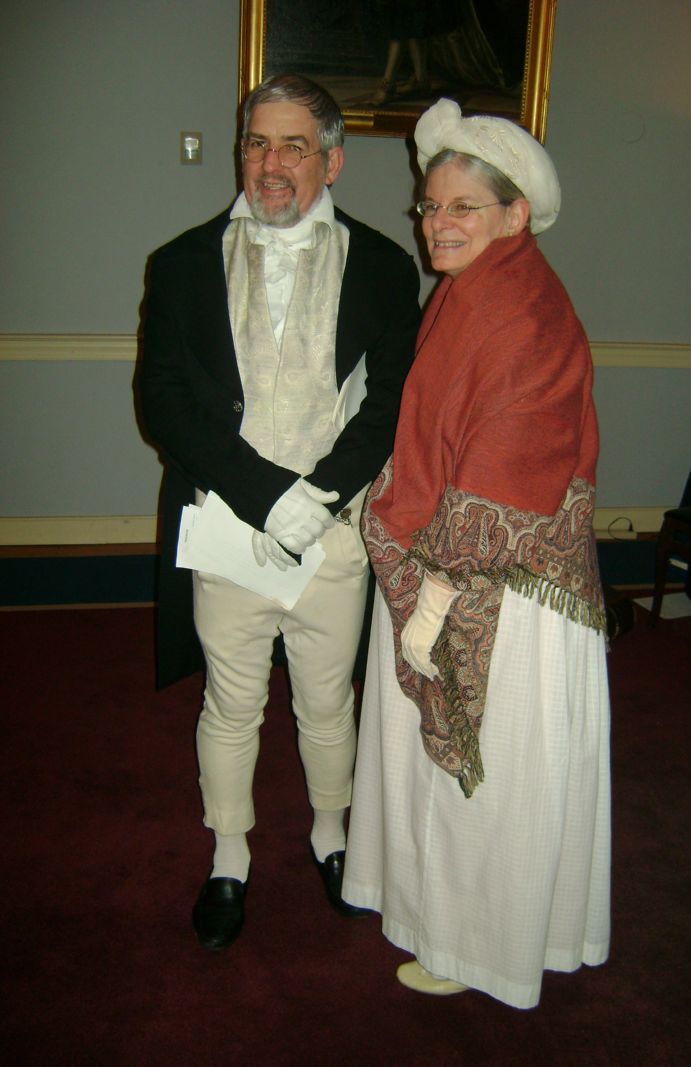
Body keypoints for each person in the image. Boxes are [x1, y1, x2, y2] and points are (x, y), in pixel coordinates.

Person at [139, 74, 420, 950]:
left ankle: (332, 838)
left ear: (332, 161)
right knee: (231, 701)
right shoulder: (181, 262)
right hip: (229, 523)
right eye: (257, 143)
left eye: (294, 146)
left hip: (334, 532)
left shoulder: (384, 264)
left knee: (328, 700)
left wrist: (322, 495)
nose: (270, 164)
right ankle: (230, 855)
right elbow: (164, 400)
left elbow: (391, 403)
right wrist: (268, 496)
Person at [342, 98, 611, 1009]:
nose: (437, 224)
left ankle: (479, 944)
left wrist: (435, 595)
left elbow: (507, 465)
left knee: (494, 773)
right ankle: (439, 915)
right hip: (455, 559)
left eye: (462, 206)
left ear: (515, 213)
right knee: (463, 769)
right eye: (430, 205)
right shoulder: (476, 289)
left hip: (500, 581)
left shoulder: (522, 309)